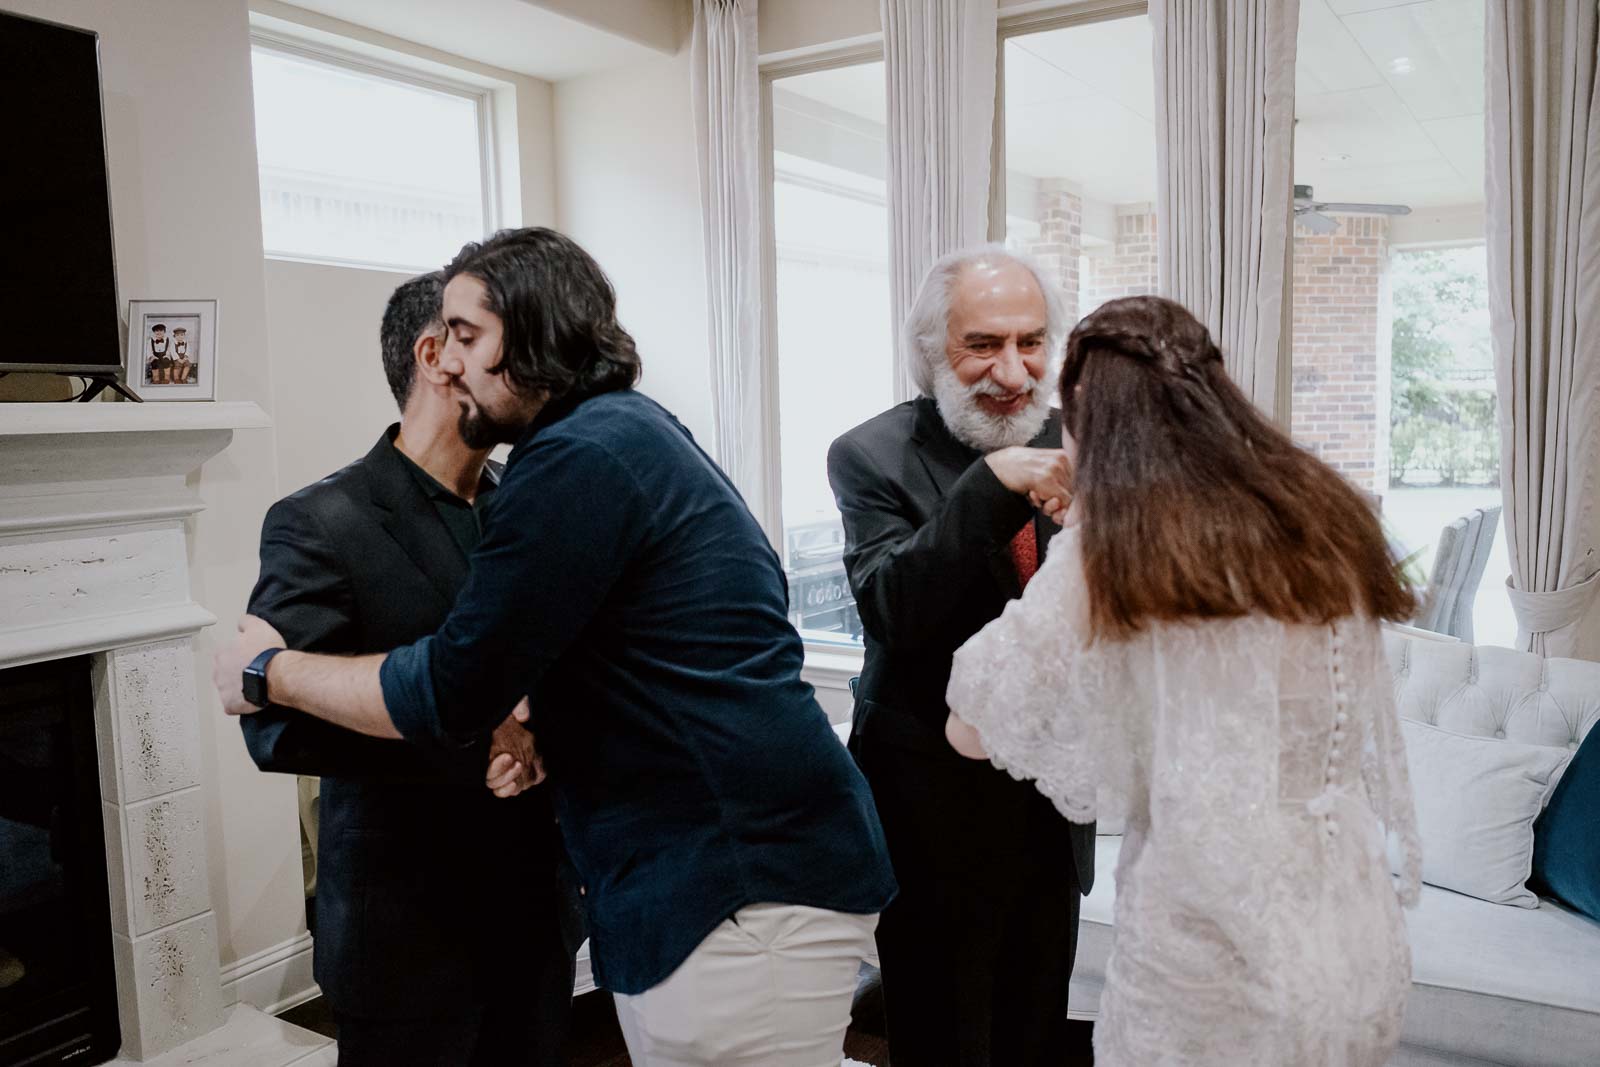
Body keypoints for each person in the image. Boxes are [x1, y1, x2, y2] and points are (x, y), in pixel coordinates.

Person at [215, 228, 896, 1067]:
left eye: (471, 335)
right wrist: (506, 735)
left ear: (532, 332)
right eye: (449, 338)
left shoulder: (574, 463)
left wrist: (266, 668)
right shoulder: (618, 437)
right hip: (421, 915)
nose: (455, 358)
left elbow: (453, 684)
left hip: (722, 885)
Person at [944, 295, 1422, 1067]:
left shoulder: (1114, 550)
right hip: (1345, 928)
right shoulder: (1328, 516)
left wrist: (1077, 556)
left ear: (1089, 421)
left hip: (1205, 957)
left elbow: (972, 723)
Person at [239, 272, 577, 1067]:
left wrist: (546, 737)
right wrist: (474, 742)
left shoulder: (533, 505)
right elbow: (276, 728)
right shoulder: (319, 522)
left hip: (535, 914)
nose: (539, 374)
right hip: (403, 936)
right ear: (437, 354)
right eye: (512, 348)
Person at [827, 245, 1095, 1065]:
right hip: (927, 807)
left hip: (1052, 805)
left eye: (1031, 341)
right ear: (931, 351)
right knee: (940, 1036)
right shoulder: (867, 455)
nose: (1012, 371)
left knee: (1035, 1032)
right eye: (983, 344)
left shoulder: (1086, 444)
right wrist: (991, 484)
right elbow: (893, 611)